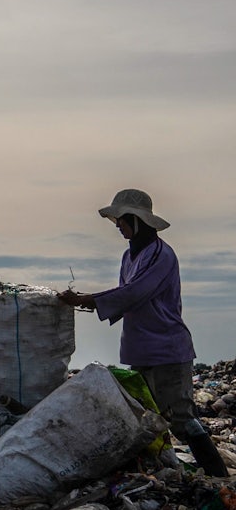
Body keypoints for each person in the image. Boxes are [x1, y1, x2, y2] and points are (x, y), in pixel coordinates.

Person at [58, 188, 228, 477]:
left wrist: (88, 299)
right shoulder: (129, 257)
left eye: (121, 221)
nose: (119, 227)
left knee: (182, 420)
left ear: (136, 220)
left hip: (167, 350)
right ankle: (162, 470)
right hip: (140, 348)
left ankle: (219, 477)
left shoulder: (162, 256)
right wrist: (87, 302)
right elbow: (126, 297)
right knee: (145, 418)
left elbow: (134, 292)